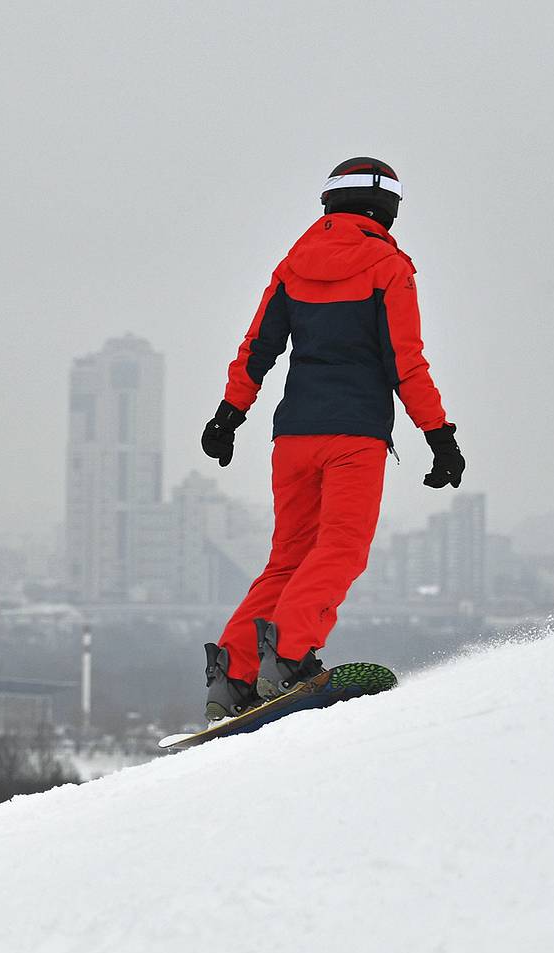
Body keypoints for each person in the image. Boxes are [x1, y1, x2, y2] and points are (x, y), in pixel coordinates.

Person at [198, 157, 465, 721]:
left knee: (287, 558)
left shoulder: (294, 263)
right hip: (353, 437)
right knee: (341, 548)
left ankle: (235, 673)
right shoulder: (388, 265)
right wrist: (439, 436)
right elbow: (405, 362)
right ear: (386, 208)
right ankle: (291, 658)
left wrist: (229, 414)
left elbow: (258, 347)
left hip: (292, 436)